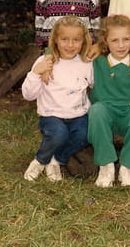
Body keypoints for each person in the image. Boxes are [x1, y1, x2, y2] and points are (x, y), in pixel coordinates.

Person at [22, 16, 94, 181]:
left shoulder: (86, 63)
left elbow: (95, 85)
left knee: (85, 134)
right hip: (51, 115)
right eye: (64, 39)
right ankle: (40, 160)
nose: (70, 45)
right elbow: (28, 95)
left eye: (76, 40)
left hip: (78, 115)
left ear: (83, 41)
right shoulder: (45, 62)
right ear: (55, 40)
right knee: (58, 134)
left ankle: (56, 160)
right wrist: (36, 72)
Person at [88, 15, 130, 187]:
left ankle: (128, 168)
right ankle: (106, 166)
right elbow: (65, 53)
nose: (121, 45)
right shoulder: (97, 60)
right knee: (96, 110)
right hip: (108, 112)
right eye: (114, 40)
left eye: (126, 39)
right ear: (105, 41)